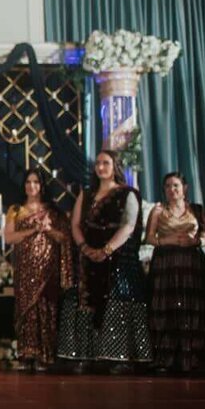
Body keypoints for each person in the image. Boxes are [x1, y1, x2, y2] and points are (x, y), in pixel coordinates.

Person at [63, 149, 151, 373]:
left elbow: (129, 226)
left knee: (117, 300)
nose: (101, 167)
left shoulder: (126, 193)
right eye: (98, 163)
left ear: (115, 166)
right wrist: (85, 247)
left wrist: (107, 250)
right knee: (83, 302)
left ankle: (119, 356)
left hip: (118, 258)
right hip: (87, 256)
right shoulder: (87, 194)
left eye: (106, 163)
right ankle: (84, 355)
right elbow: (74, 224)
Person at [3, 168, 71, 371]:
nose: (31, 186)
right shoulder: (16, 210)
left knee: (46, 309)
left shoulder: (53, 211)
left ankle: (45, 356)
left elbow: (63, 238)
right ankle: (26, 355)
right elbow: (9, 238)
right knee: (26, 309)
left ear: (42, 186)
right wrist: (34, 229)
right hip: (25, 268)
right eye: (28, 182)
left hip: (48, 269)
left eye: (35, 182)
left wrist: (48, 229)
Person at [145, 171, 205, 374]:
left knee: (191, 307)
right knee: (167, 307)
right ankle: (165, 357)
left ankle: (190, 356)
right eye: (167, 186)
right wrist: (167, 241)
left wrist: (195, 241)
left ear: (184, 188)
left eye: (175, 185)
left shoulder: (197, 209)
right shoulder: (158, 210)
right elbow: (149, 238)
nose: (172, 190)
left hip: (191, 263)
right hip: (166, 263)